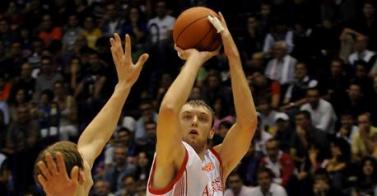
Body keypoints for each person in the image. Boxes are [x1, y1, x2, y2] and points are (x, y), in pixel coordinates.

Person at [147, 13, 257, 195]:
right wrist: (195, 59)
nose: (195, 121)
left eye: (203, 119)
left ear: (212, 131)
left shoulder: (218, 161)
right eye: (187, 116)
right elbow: (168, 110)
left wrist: (232, 55)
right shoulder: (168, 156)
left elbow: (248, 124)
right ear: (176, 125)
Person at [33, 33, 149, 196]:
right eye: (84, 162)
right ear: (79, 175)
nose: (88, 161)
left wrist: (124, 85)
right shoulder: (78, 176)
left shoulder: (77, 174)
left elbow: (95, 138)